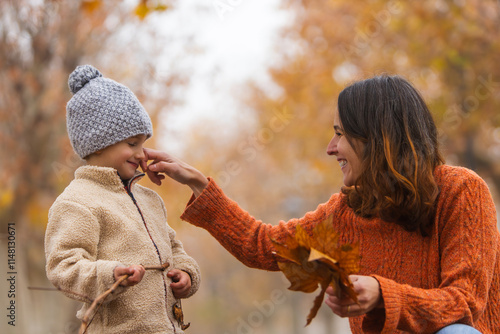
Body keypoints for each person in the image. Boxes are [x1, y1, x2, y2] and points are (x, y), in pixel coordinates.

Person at [141, 75, 500, 333]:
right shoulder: (346, 212)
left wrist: (381, 295)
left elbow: (465, 304)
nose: (330, 148)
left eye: (340, 134)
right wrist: (199, 183)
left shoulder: (461, 191)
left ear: (377, 139)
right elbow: (263, 246)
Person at [45, 65, 201, 334]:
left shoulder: (149, 199)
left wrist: (186, 273)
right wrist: (108, 274)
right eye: (132, 144)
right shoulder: (78, 201)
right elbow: (63, 266)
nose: (142, 154)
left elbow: (174, 248)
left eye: (143, 143)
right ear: (98, 142)